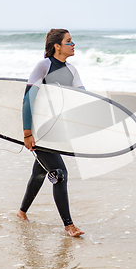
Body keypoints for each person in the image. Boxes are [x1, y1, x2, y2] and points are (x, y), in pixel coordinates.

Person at [16, 28, 85, 237]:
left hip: (58, 133)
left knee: (39, 173)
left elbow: (82, 100)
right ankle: (69, 225)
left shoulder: (72, 70)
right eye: (69, 42)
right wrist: (27, 133)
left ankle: (21, 212)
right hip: (40, 131)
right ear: (57, 46)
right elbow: (28, 99)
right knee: (59, 174)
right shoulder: (44, 66)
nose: (73, 45)